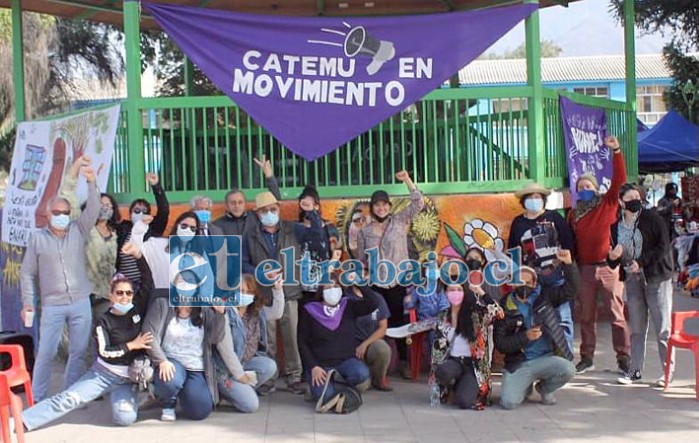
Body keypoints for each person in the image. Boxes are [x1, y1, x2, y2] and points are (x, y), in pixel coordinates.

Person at [21, 272, 153, 430]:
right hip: (104, 375)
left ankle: (120, 397)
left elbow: (147, 281)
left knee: (125, 418)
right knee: (69, 399)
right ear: (111, 296)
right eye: (119, 293)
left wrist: (138, 255)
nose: (124, 297)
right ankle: (23, 420)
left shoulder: (136, 311)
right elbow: (105, 352)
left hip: (128, 378)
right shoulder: (103, 321)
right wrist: (132, 345)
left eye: (128, 293)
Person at [20, 160, 100, 401]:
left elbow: (94, 209)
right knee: (46, 352)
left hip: (80, 301)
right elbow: (26, 273)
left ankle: (69, 396)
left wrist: (92, 182)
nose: (62, 217)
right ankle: (37, 398)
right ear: (47, 214)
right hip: (52, 304)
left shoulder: (78, 230)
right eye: (57, 213)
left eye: (66, 213)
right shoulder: (37, 240)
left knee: (78, 352)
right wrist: (28, 304)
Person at [569, 135, 631, 374]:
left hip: (609, 267)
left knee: (616, 313)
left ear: (597, 188)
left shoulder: (609, 203)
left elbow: (620, 179)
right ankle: (587, 357)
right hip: (585, 269)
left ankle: (623, 357)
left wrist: (617, 152)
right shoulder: (573, 215)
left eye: (589, 186)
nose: (585, 189)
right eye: (581, 187)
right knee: (586, 316)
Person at [143, 274, 240, 422]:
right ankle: (168, 403)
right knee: (171, 381)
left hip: (196, 366)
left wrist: (220, 315)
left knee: (200, 412)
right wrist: (162, 360)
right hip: (170, 361)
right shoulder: (162, 304)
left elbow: (215, 339)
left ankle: (182, 394)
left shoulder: (204, 310)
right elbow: (149, 335)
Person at [357, 170, 424, 378]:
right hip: (376, 285)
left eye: (385, 204)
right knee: (377, 325)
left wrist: (408, 181)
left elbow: (418, 204)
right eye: (377, 205)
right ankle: (379, 367)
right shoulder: (364, 232)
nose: (381, 207)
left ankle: (404, 363)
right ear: (372, 207)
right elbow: (362, 259)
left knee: (401, 325)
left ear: (389, 206)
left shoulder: (400, 221)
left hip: (398, 282)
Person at [608, 184, 675, 386]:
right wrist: (612, 257)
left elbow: (663, 246)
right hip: (632, 280)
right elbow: (614, 258)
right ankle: (634, 371)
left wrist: (642, 262)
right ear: (621, 202)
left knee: (662, 328)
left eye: (638, 197)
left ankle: (667, 372)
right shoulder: (615, 226)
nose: (636, 200)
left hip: (656, 277)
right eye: (631, 197)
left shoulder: (652, 218)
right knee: (637, 328)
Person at [495, 252, 578, 410]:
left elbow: (570, 291)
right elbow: (500, 344)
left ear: (534, 284)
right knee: (509, 403)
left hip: (546, 359)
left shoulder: (544, 297)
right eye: (519, 282)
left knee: (568, 369)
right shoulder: (504, 306)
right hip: (519, 364)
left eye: (528, 282)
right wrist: (524, 337)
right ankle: (524, 386)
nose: (524, 286)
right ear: (512, 284)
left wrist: (569, 264)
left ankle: (545, 388)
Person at [242, 191, 305, 395]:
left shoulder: (292, 229)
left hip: (289, 289)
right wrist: (259, 273)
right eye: (264, 211)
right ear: (258, 214)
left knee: (291, 336)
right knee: (266, 339)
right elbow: (243, 262)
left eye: (273, 209)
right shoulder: (250, 234)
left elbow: (315, 236)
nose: (269, 213)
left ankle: (294, 376)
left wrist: (310, 211)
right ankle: (269, 379)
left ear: (279, 209)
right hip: (262, 294)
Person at [508, 182, 575, 353]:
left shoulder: (554, 217)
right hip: (532, 281)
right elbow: (513, 252)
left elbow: (569, 242)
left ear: (543, 200)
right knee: (534, 319)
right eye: (530, 197)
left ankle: (565, 358)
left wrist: (567, 265)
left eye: (537, 197)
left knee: (563, 318)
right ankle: (540, 356)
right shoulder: (518, 223)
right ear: (524, 201)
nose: (534, 200)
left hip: (557, 277)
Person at [298, 274, 377, 413]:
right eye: (328, 287)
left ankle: (338, 384)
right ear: (321, 291)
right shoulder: (309, 310)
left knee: (361, 373)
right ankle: (325, 388)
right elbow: (302, 342)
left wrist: (358, 282)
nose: (332, 290)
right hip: (320, 366)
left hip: (345, 362)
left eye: (336, 286)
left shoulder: (348, 306)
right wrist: (313, 366)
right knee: (327, 398)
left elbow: (373, 303)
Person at [430, 277, 504, 410]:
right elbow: (438, 350)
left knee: (464, 402)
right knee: (442, 371)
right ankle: (451, 386)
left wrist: (481, 293)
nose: (455, 293)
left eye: (459, 289)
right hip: (454, 362)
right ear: (446, 293)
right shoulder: (443, 316)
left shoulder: (477, 314)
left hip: (473, 367)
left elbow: (499, 313)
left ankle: (463, 387)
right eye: (451, 290)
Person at [215, 274, 284, 412]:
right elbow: (226, 350)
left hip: (245, 362)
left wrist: (278, 290)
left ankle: (240, 388)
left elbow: (276, 313)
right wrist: (240, 376)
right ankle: (224, 389)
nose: (244, 295)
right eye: (240, 291)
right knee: (251, 405)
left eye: (248, 292)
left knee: (269, 366)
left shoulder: (255, 311)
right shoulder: (226, 312)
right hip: (224, 370)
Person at [117, 173, 169, 288]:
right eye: (136, 210)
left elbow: (164, 211)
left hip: (146, 284)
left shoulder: (153, 229)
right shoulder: (122, 229)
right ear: (130, 214)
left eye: (144, 211)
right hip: (125, 285)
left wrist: (156, 186)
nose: (140, 214)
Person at [213, 155, 282, 236]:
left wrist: (269, 176)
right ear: (226, 206)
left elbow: (274, 201)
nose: (237, 206)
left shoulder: (255, 217)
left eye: (240, 202)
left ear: (245, 204)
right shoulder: (217, 225)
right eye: (233, 203)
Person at [295, 185, 341, 295]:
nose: (309, 208)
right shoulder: (296, 228)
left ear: (317, 206)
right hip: (300, 286)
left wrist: (326, 275)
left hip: (325, 285)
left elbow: (337, 254)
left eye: (313, 204)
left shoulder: (329, 228)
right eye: (306, 204)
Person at [350, 281, 393, 391]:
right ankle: (365, 375)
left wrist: (365, 344)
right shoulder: (346, 297)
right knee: (360, 387)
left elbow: (383, 327)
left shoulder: (377, 297)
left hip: (370, 343)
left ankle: (378, 380)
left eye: (365, 272)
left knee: (382, 349)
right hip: (351, 346)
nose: (362, 276)